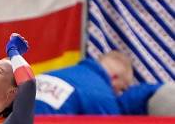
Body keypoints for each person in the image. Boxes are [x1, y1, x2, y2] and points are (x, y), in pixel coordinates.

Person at [34, 51, 171, 115]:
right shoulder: (101, 94)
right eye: (121, 89)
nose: (118, 94)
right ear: (114, 77)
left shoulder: (54, 74)